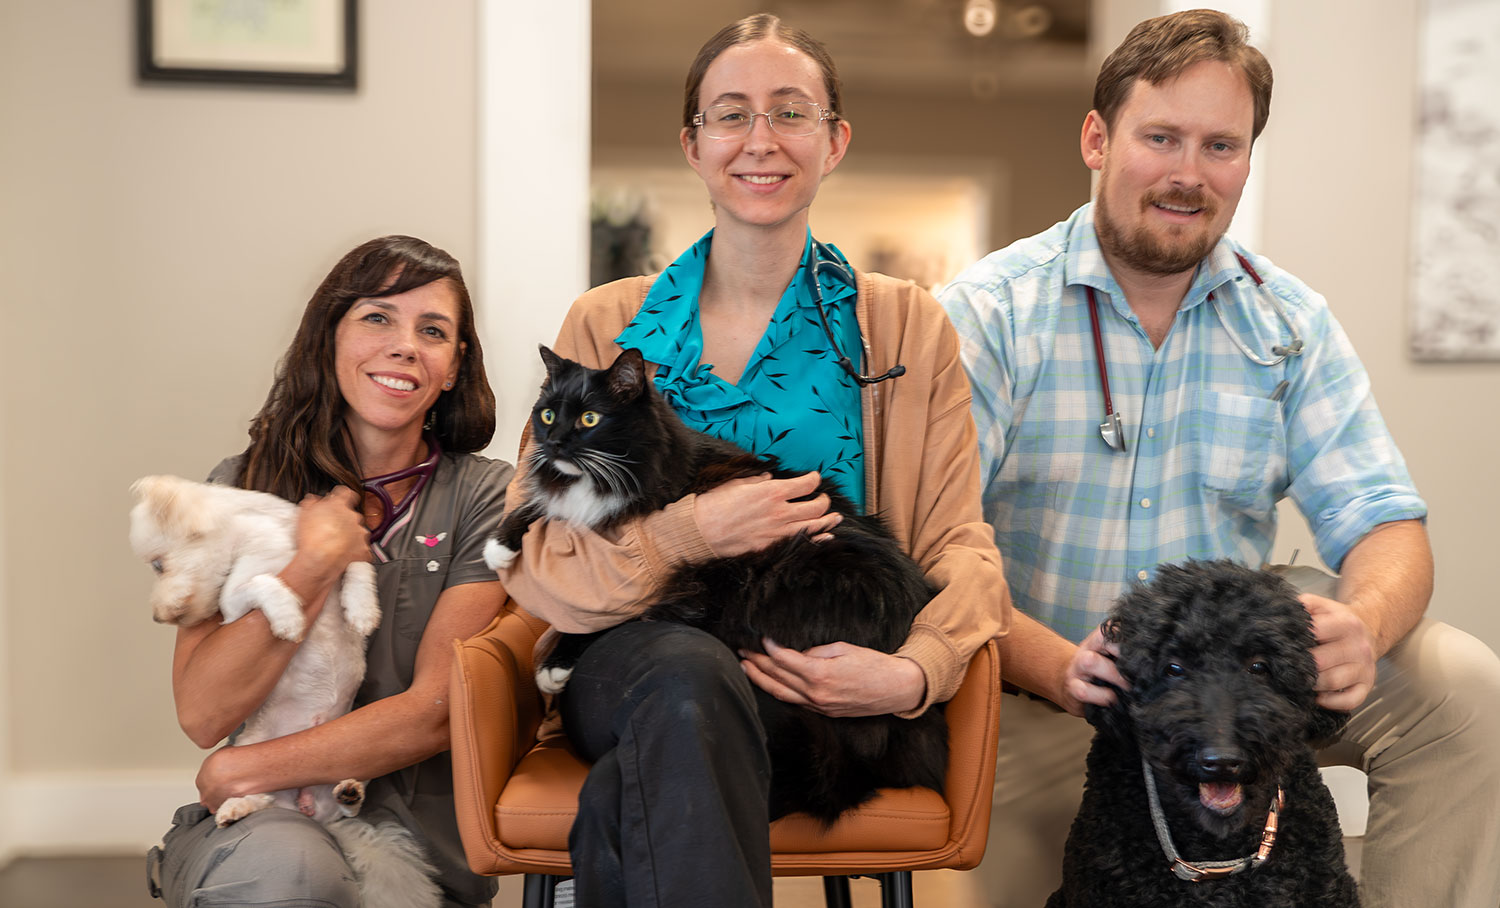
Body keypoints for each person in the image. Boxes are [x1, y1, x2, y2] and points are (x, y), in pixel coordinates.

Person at [938, 9, 1500, 908]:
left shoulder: (1290, 322)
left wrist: (1367, 624)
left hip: (1242, 676)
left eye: (1220, 146)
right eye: (1160, 137)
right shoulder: (988, 313)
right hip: (1040, 688)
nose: (1188, 175)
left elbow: (1388, 523)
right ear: (1097, 138)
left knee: (1464, 689)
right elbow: (934, 551)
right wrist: (1053, 665)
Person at [493, 14, 1008, 907]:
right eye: (730, 115)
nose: (760, 140)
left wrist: (915, 666)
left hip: (814, 679)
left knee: (631, 790)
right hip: (634, 670)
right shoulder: (603, 324)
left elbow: (959, 541)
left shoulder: (904, 325)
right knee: (689, 684)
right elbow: (538, 564)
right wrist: (687, 533)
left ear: (834, 140)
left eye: (790, 112)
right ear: (692, 145)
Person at [147, 236, 513, 908]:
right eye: (377, 317)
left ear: (455, 367)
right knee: (290, 874)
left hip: (420, 849)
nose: (404, 345)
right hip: (267, 831)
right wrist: (310, 568)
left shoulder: (487, 498)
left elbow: (436, 712)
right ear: (329, 338)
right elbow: (203, 711)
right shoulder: (236, 489)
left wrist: (240, 766)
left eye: (432, 331)